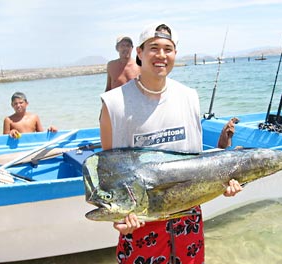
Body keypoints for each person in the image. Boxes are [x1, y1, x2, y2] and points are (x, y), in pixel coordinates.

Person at [100, 23, 243, 264]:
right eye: (154, 48)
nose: (161, 55)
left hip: (188, 220)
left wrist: (223, 185)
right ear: (140, 52)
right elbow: (108, 172)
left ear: (175, 54)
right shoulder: (113, 103)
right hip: (140, 225)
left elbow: (198, 163)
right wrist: (118, 219)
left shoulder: (189, 97)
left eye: (168, 49)